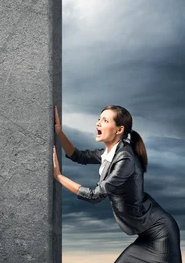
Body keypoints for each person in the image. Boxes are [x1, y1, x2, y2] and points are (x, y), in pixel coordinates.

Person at [52, 105, 182, 263]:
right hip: (146, 235)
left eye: (105, 120)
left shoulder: (125, 158)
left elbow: (95, 196)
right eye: (99, 119)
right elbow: (79, 156)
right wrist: (59, 132)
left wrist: (59, 177)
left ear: (119, 130)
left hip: (161, 234)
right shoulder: (109, 154)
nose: (98, 123)